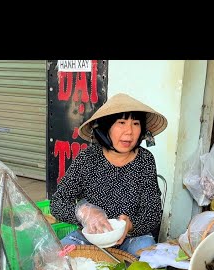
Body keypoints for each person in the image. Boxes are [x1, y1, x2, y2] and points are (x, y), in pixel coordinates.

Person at [50, 93, 166, 257]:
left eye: (135, 123)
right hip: (89, 236)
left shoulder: (145, 160)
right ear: (106, 127)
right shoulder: (88, 158)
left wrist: (131, 225)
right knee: (58, 261)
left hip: (132, 238)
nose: (129, 132)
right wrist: (85, 214)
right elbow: (57, 203)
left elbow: (153, 212)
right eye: (121, 123)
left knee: (150, 262)